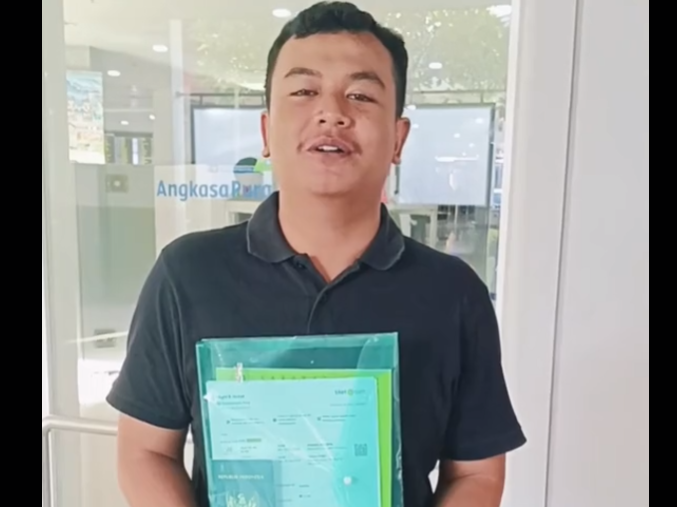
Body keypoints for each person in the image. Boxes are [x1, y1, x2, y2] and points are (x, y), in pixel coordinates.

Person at [108, 2, 526, 506]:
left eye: (361, 95)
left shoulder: (452, 293)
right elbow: (145, 452)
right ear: (267, 132)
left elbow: (477, 473)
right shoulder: (188, 275)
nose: (332, 112)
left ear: (398, 138)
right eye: (304, 92)